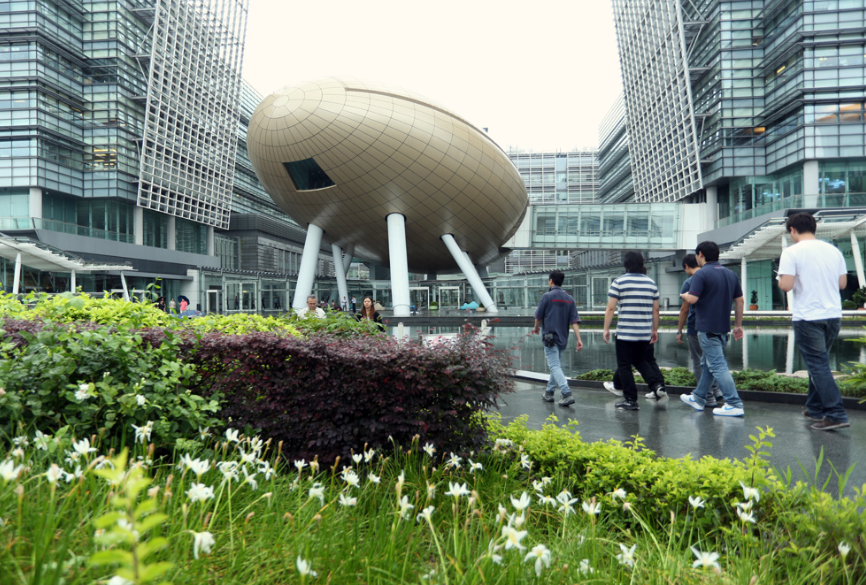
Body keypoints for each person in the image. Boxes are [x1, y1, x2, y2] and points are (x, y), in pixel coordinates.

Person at [777, 212, 850, 431]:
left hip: (809, 317)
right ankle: (815, 408)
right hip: (833, 315)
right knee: (818, 364)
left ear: (792, 230)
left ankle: (835, 414)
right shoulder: (833, 250)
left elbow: (786, 286)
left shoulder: (791, 252)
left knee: (818, 365)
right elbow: (842, 284)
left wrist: (780, 278)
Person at [679, 241, 746, 417]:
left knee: (717, 365)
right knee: (707, 365)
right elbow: (740, 301)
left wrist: (684, 295)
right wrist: (738, 325)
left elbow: (692, 299)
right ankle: (699, 397)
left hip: (707, 329)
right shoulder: (731, 274)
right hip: (723, 329)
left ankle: (734, 403)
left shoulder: (701, 274)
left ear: (700, 254)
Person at [602, 251, 660, 411]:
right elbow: (656, 310)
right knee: (641, 361)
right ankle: (657, 386)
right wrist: (654, 330)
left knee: (624, 365)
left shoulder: (619, 282)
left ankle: (631, 400)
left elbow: (610, 308)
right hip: (644, 333)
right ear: (642, 264)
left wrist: (606, 328)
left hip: (625, 334)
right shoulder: (651, 283)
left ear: (626, 264)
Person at [677, 254, 722, 407]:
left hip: (696, 326)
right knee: (712, 361)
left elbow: (684, 309)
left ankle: (707, 398)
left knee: (698, 362)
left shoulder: (690, 282)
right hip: (716, 325)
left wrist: (679, 330)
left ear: (686, 266)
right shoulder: (713, 278)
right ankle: (716, 391)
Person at [532, 270, 583, 407]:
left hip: (550, 338)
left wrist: (536, 327)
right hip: (563, 338)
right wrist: (579, 339)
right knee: (556, 366)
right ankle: (549, 392)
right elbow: (574, 321)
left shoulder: (547, 296)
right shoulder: (569, 299)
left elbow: (538, 316)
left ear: (550, 281)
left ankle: (566, 393)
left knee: (554, 366)